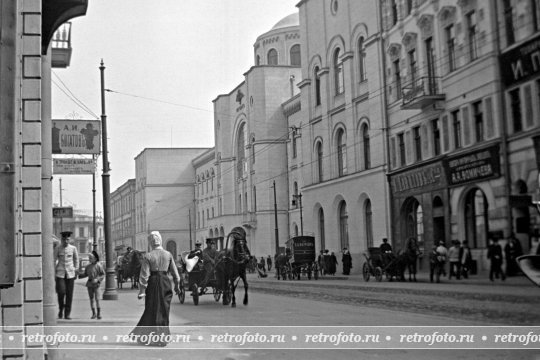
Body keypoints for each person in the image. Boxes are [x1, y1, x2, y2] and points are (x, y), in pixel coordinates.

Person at [131, 231, 180, 347]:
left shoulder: (148, 256)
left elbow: (144, 275)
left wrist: (142, 291)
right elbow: (175, 274)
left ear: (150, 242)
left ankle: (147, 337)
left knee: (151, 310)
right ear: (160, 240)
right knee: (164, 310)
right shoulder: (168, 254)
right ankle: (162, 338)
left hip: (152, 283)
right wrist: (177, 286)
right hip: (165, 283)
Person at [53, 231, 79, 320]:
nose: (66, 241)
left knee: (69, 294)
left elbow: (76, 259)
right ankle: (61, 309)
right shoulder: (58, 248)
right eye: (64, 239)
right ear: (61, 239)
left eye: (67, 239)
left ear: (70, 239)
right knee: (61, 292)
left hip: (70, 274)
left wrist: (75, 269)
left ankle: (67, 313)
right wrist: (53, 272)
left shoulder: (73, 248)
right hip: (60, 273)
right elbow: (53, 260)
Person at [78, 251, 105, 319]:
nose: (89, 259)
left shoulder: (99, 266)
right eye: (89, 258)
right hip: (89, 284)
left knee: (97, 299)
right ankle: (93, 313)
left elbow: (102, 274)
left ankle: (99, 313)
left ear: (95, 258)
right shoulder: (88, 266)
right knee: (91, 299)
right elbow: (85, 274)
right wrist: (79, 275)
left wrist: (98, 279)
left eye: (91, 258)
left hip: (96, 284)